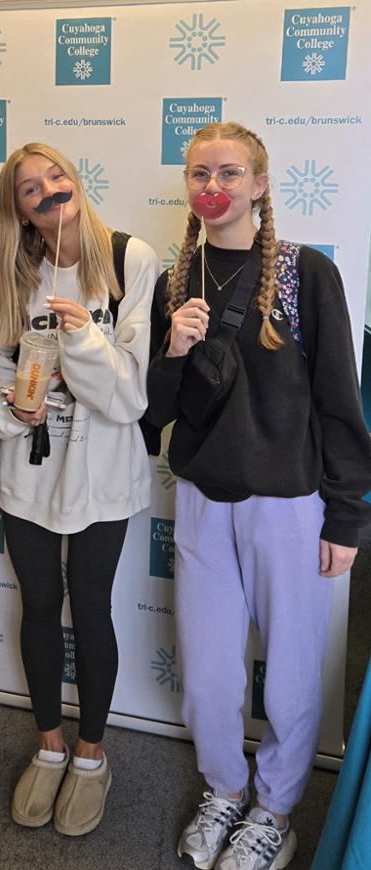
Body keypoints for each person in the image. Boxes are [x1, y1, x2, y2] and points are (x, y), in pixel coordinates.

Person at [146, 121, 371, 870]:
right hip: (206, 500)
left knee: (295, 668)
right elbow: (156, 414)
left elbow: (341, 402)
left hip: (290, 503)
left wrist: (345, 515)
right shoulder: (174, 283)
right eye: (200, 173)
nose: (214, 187)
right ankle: (223, 789)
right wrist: (173, 350)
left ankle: (275, 809)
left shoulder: (308, 274)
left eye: (230, 173)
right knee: (209, 671)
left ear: (260, 184)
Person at [0, 143, 158, 836]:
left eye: (56, 176)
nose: (50, 191)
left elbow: (131, 397)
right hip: (30, 464)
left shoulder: (127, 258)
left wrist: (84, 336)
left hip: (104, 468)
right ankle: (50, 746)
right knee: (38, 604)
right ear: (21, 213)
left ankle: (92, 757)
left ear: (75, 182)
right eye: (32, 189)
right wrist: (12, 403)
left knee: (90, 608)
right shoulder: (13, 272)